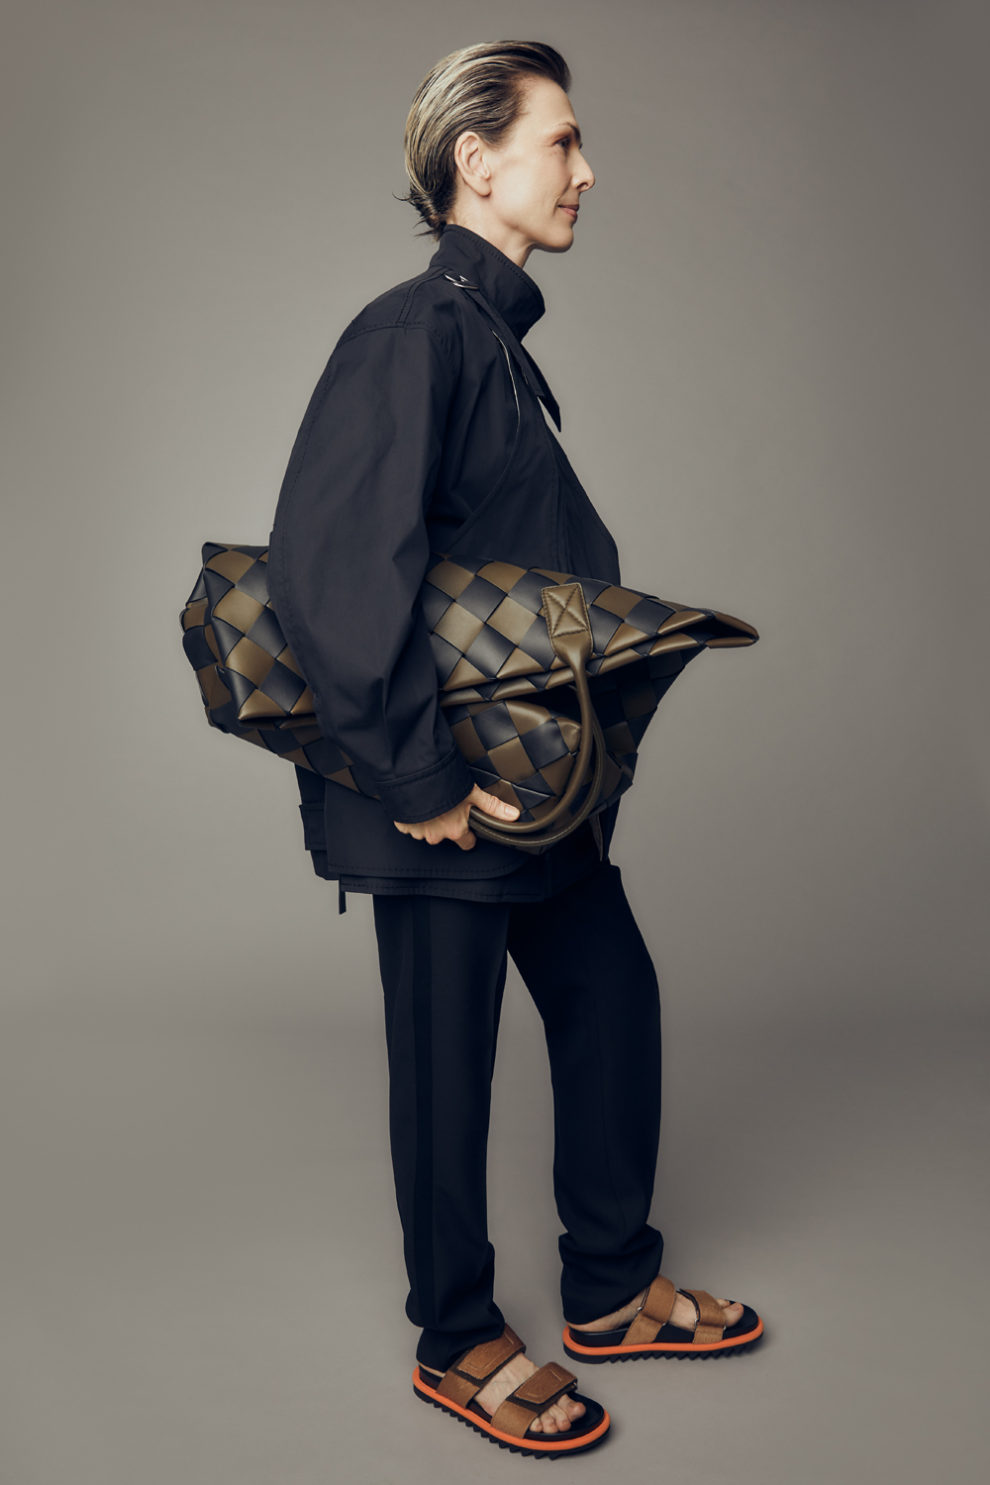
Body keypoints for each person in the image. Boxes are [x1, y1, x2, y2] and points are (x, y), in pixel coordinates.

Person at [267, 39, 763, 1458]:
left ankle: (606, 1287)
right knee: (447, 1064)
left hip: (535, 795)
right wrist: (417, 782)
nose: (586, 171)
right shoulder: (410, 333)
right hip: (441, 790)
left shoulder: (486, 342)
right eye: (562, 142)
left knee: (612, 998)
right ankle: (457, 1335)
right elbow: (329, 569)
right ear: (475, 163)